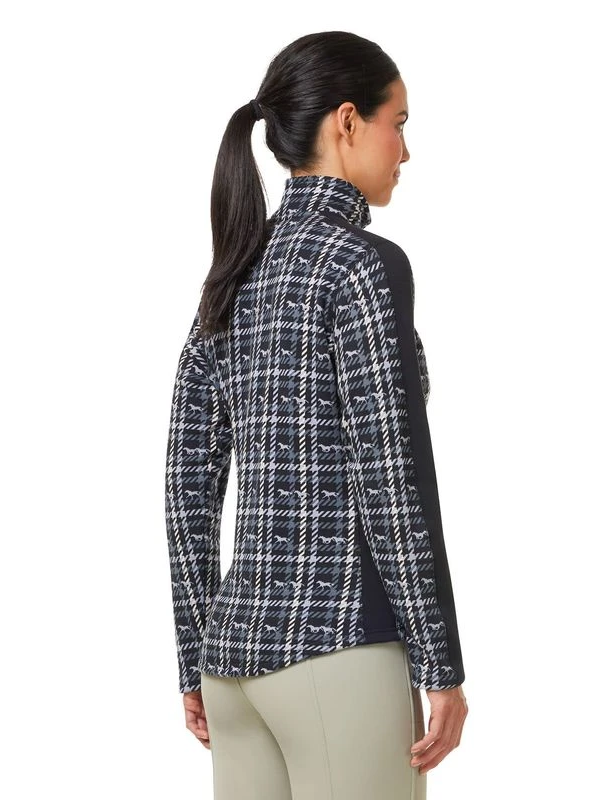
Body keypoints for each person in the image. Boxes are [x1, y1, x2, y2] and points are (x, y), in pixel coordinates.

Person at [164, 30, 469, 800]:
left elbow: (186, 487)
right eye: (399, 123)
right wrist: (442, 665)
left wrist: (195, 655)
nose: (406, 151)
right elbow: (391, 476)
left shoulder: (232, 274)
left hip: (233, 670)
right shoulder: (362, 265)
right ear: (347, 121)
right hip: (340, 652)